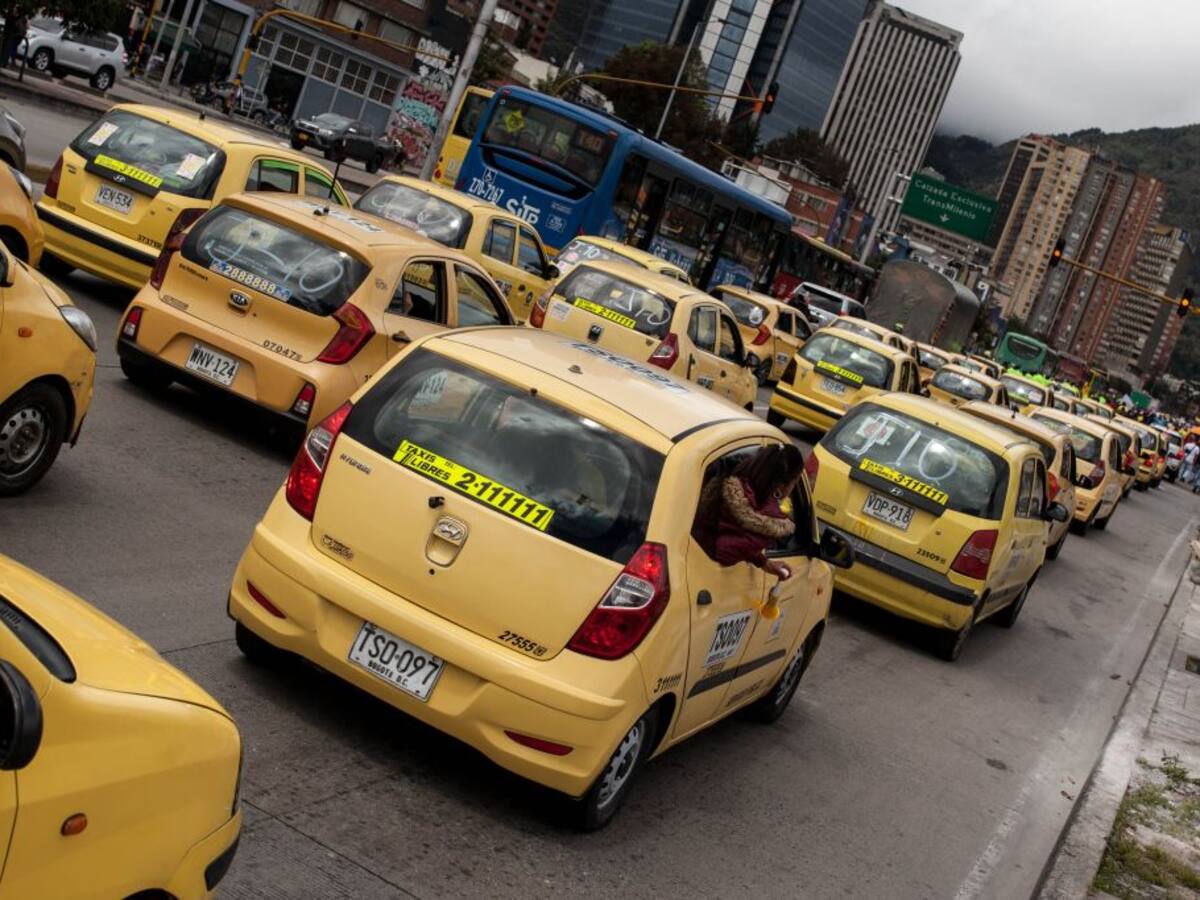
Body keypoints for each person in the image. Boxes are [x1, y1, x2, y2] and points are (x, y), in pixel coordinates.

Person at [693, 443, 805, 583]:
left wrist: (763, 562)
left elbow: (732, 535)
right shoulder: (763, 527)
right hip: (702, 578)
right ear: (781, 487)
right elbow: (727, 548)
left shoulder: (726, 477)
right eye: (794, 484)